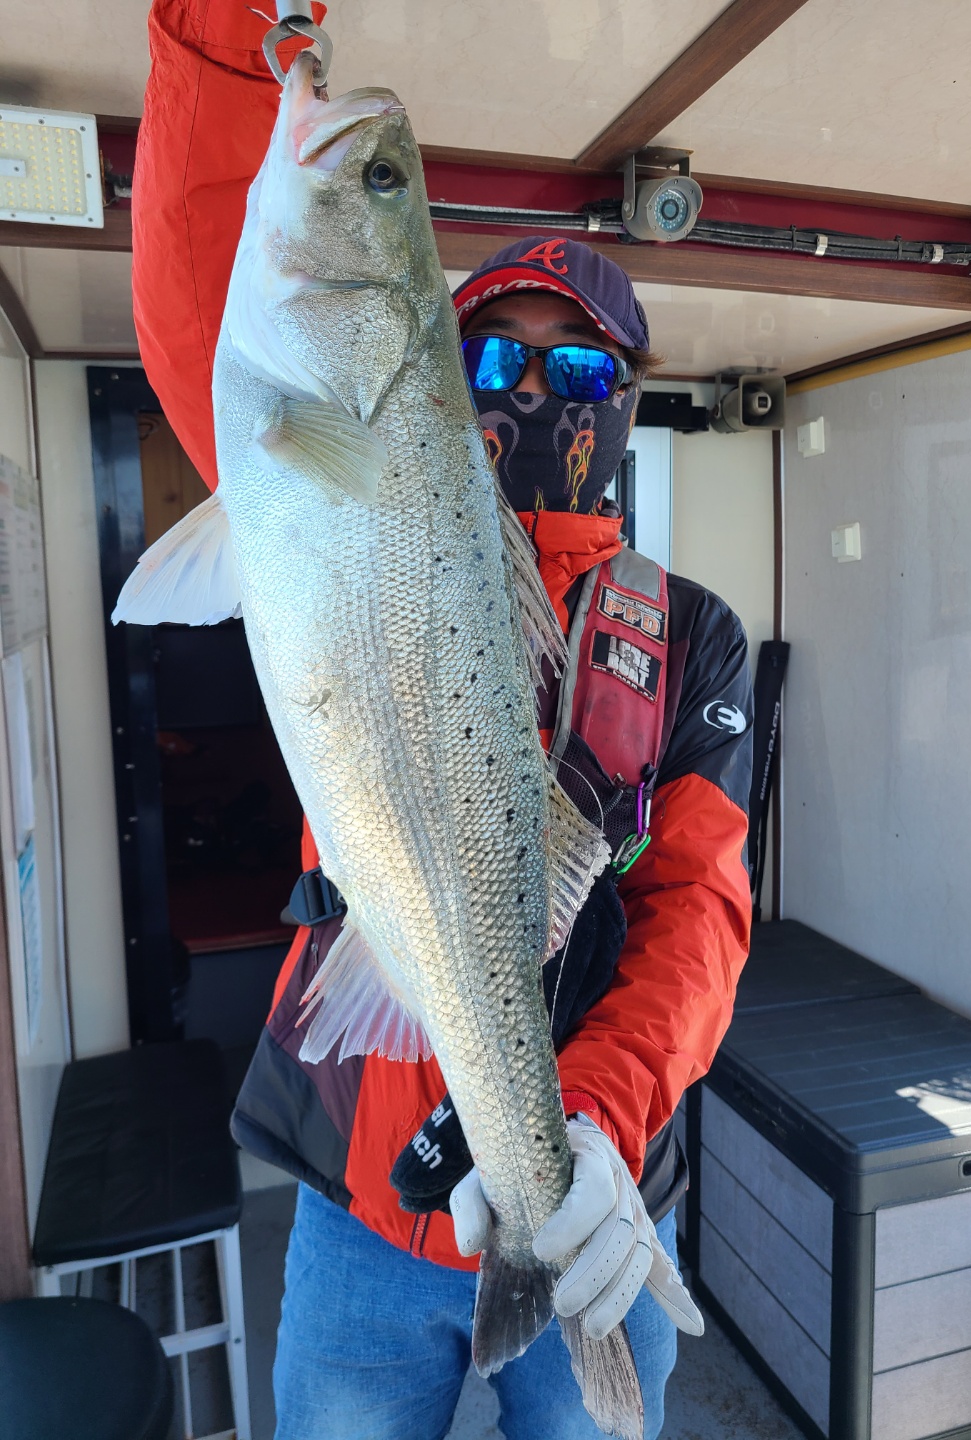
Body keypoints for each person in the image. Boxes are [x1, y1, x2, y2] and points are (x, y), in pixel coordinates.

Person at [133, 4, 754, 1436]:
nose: (533, 391)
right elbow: (200, 287)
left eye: (578, 369)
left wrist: (592, 1125)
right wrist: (228, 39)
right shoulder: (311, 457)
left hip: (594, 1198)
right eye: (494, 359)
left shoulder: (692, 633)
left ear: (625, 405)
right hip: (364, 1212)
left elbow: (699, 916)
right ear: (433, 373)